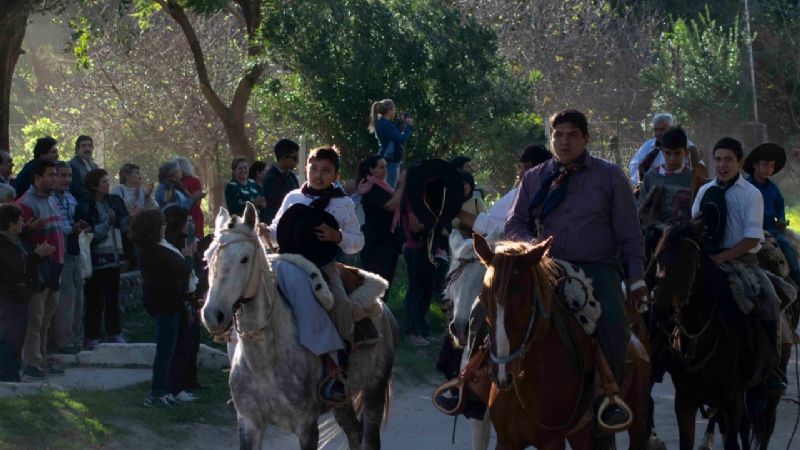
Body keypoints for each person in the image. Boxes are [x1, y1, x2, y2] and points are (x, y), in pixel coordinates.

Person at [506, 109, 646, 427]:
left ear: (586, 139)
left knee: (613, 320)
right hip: (545, 267)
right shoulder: (534, 177)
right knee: (495, 306)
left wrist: (636, 279)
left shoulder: (610, 177)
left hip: (597, 268)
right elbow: (514, 223)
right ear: (551, 138)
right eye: (558, 135)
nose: (564, 141)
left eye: (572, 135)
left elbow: (630, 234)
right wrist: (532, 247)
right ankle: (481, 383)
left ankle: (608, 397)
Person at [692, 137, 782, 387]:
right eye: (718, 159)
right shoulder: (704, 191)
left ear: (740, 162)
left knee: (770, 301)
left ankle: (771, 366)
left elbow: (752, 238)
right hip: (708, 259)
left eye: (728, 159)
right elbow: (694, 228)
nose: (722, 165)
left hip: (742, 260)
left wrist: (722, 257)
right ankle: (671, 353)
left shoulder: (751, 194)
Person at [131, 209, 192, 408]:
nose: (165, 228)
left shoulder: (161, 246)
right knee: (165, 350)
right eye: (161, 225)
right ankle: (157, 391)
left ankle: (169, 389)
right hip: (164, 305)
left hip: (174, 303)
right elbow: (174, 272)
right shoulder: (152, 251)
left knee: (173, 347)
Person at [15, 159, 65, 379]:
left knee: (46, 320)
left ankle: (41, 359)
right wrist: (27, 231)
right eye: (50, 175)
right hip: (38, 269)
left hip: (55, 266)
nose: (55, 179)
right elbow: (15, 236)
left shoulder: (52, 200)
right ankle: (31, 363)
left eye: (56, 174)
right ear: (37, 178)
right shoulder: (25, 203)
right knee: (35, 319)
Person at [75, 169, 129, 349]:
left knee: (113, 298)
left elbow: (124, 226)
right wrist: (107, 223)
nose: (107, 184)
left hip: (114, 258)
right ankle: (92, 335)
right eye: (104, 182)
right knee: (95, 300)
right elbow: (90, 234)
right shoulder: (85, 205)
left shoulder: (114, 201)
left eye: (108, 181)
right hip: (96, 260)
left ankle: (115, 332)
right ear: (93, 185)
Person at [0, 204, 54, 381]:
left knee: (16, 337)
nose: (22, 223)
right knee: (10, 337)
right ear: (9, 223)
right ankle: (7, 373)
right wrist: (37, 255)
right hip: (8, 298)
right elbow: (16, 266)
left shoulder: (15, 241)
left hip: (18, 297)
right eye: (19, 220)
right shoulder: (3, 244)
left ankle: (11, 371)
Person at [456, 145, 552, 238]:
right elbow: (490, 223)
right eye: (520, 167)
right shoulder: (515, 195)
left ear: (543, 170)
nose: (521, 173)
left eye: (527, 168)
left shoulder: (555, 194)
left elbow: (489, 225)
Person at [744, 143, 800, 286]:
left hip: (772, 229)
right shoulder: (745, 186)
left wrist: (781, 219)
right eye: (765, 165)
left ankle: (797, 277)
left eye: (771, 166)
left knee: (786, 245)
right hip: (750, 230)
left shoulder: (774, 189)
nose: (769, 169)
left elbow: (780, 208)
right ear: (755, 165)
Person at [162, 205, 200, 402]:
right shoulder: (169, 246)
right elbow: (179, 274)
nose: (190, 224)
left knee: (190, 343)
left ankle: (185, 383)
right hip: (175, 302)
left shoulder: (183, 241)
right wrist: (186, 257)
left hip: (189, 300)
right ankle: (175, 388)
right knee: (178, 346)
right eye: (186, 220)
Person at [50, 162, 89, 354]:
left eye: (69, 176)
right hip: (59, 253)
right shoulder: (50, 200)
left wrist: (80, 225)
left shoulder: (70, 197)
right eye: (62, 176)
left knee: (79, 297)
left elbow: (72, 220)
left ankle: (76, 338)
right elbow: (56, 226)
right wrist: (71, 229)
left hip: (74, 251)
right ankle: (64, 341)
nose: (67, 180)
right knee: (66, 298)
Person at [356, 154, 406, 285]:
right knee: (376, 284)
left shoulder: (383, 186)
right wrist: (402, 186)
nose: (385, 170)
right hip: (376, 243)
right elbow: (390, 205)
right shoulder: (370, 186)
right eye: (381, 167)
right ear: (371, 170)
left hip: (387, 240)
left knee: (385, 283)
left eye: (386, 167)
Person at [369, 99, 413, 187]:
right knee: (388, 191)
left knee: (389, 190)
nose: (395, 111)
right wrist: (409, 126)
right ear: (389, 110)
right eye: (394, 109)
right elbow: (401, 139)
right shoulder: (384, 125)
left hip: (391, 161)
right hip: (389, 163)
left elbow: (393, 134)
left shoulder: (385, 124)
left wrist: (401, 122)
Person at [262, 139, 300, 225]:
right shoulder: (271, 179)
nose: (297, 161)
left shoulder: (291, 176)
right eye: (294, 157)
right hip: (276, 224)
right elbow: (286, 201)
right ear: (283, 157)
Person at [174, 157, 206, 240]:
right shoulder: (174, 183)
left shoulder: (194, 181)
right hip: (179, 219)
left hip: (193, 217)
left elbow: (197, 201)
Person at [68, 135, 98, 201]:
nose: (87, 149)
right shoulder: (72, 165)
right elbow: (76, 190)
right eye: (83, 146)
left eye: (89, 146)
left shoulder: (95, 166)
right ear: (77, 149)